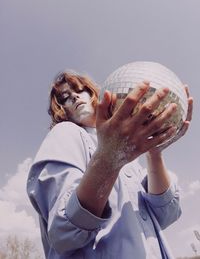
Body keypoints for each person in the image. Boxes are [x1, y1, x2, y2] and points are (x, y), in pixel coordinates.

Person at [27, 70, 193, 259]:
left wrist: (154, 152)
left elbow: (165, 215)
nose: (74, 96)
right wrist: (110, 159)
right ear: (61, 109)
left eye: (80, 90)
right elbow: (65, 231)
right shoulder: (65, 133)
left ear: (92, 93)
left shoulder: (130, 157)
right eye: (64, 98)